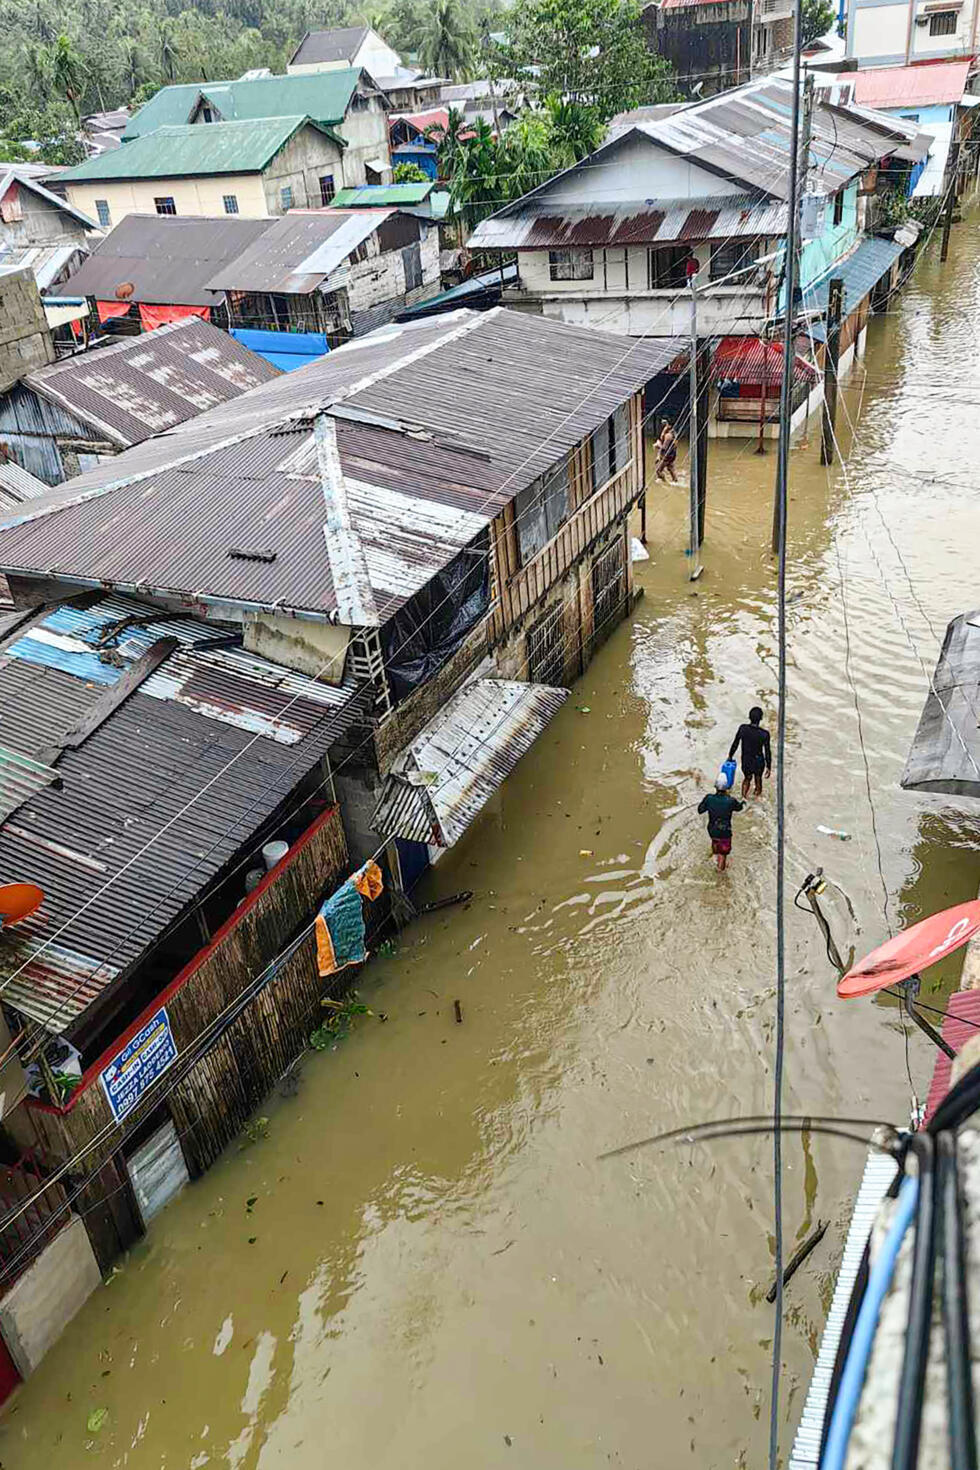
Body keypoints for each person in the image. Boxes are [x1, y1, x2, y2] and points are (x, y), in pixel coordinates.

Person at [698, 775, 744, 872]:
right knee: (723, 854)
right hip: (725, 831)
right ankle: (720, 873)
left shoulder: (709, 798)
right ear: (727, 788)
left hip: (712, 830)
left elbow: (700, 810)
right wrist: (743, 803)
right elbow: (739, 808)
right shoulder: (731, 801)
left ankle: (715, 857)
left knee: (715, 841)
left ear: (715, 787)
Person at [728, 705, 772, 798]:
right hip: (758, 761)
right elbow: (767, 751)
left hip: (746, 759)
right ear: (761, 719)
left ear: (749, 717)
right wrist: (768, 766)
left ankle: (743, 797)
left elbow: (735, 743)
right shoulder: (764, 734)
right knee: (758, 779)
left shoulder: (743, 729)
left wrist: (730, 755)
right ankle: (756, 796)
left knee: (747, 778)